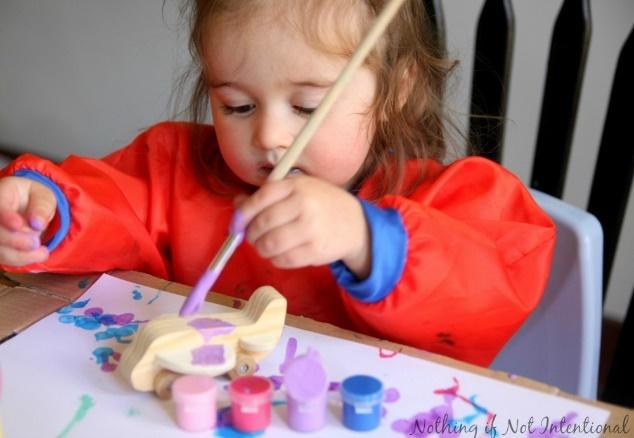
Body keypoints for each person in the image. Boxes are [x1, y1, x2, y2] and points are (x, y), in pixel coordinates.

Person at [0, 0, 554, 367]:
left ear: (398, 91)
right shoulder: (172, 165)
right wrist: (45, 209)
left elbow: (492, 290)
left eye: (308, 106)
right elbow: (106, 200)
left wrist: (366, 240)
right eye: (237, 105)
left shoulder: (459, 199)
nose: (269, 134)